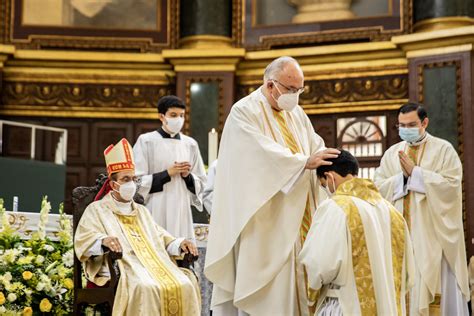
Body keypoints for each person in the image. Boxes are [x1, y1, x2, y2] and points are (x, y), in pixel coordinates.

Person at [204, 56, 340, 316]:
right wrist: (302, 163)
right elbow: (256, 158)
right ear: (270, 85)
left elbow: (313, 144)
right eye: (290, 89)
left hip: (302, 214)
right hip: (266, 222)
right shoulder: (244, 112)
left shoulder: (295, 113)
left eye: (300, 90)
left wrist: (326, 161)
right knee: (271, 296)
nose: (295, 96)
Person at [75, 138, 201, 315]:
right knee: (144, 287)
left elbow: (162, 238)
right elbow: (83, 241)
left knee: (186, 284)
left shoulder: (141, 211)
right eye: (126, 179)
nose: (131, 184)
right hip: (124, 268)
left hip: (152, 267)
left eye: (133, 179)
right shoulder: (97, 209)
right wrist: (103, 240)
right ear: (113, 184)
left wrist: (180, 244)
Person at [374, 102, 470, 315]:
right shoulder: (392, 154)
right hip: (399, 237)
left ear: (424, 122)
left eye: (410, 124)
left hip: (433, 236)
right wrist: (402, 178)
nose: (404, 130)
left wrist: (417, 174)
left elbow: (452, 186)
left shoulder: (444, 149)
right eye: (401, 125)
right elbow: (378, 188)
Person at [300, 149, 415, 315]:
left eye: (324, 185)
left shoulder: (335, 207)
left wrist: (310, 292)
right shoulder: (392, 212)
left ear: (330, 177)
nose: (326, 191)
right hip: (389, 308)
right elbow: (408, 276)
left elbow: (320, 265)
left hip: (346, 306)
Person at [133, 95, 207, 240]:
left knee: (181, 252)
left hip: (181, 207)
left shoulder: (190, 144)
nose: (178, 119)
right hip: (155, 205)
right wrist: (167, 174)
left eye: (181, 115)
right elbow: (136, 181)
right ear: (162, 116)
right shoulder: (146, 141)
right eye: (173, 115)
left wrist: (188, 177)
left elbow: (202, 182)